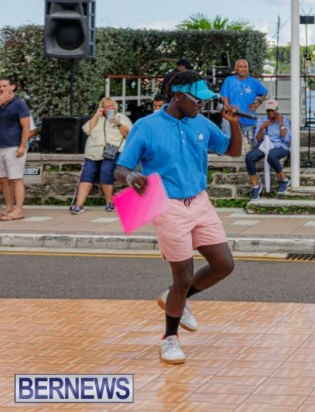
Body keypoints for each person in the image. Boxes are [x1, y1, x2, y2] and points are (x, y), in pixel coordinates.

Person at [114, 70, 243, 364]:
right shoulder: (146, 127)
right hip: (167, 205)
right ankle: (169, 338)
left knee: (224, 264)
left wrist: (234, 125)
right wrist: (131, 177)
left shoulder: (201, 123)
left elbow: (233, 151)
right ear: (177, 96)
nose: (202, 104)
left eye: (205, 100)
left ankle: (176, 297)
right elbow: (121, 168)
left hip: (200, 201)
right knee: (183, 276)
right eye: (197, 100)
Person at [70, 97, 132, 214]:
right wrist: (96, 115)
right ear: (102, 108)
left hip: (112, 149)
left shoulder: (122, 118)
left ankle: (109, 202)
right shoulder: (97, 118)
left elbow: (129, 135)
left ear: (115, 107)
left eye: (111, 106)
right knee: (87, 173)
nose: (109, 108)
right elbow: (87, 130)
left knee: (106, 169)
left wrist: (118, 124)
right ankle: (79, 205)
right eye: (106, 106)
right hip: (93, 151)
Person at [219, 59, 268, 154]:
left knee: (248, 146)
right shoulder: (229, 80)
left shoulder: (254, 82)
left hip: (247, 116)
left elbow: (264, 92)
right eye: (240, 67)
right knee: (227, 133)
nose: (243, 69)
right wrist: (227, 107)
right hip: (232, 116)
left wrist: (258, 103)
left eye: (245, 67)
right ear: (236, 69)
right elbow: (225, 97)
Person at [246, 99, 291, 200]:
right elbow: (257, 140)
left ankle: (284, 179)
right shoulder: (262, 121)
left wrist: (280, 123)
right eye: (268, 111)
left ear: (276, 109)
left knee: (271, 156)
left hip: (280, 146)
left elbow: (286, 138)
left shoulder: (284, 120)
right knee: (249, 157)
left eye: (272, 110)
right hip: (264, 145)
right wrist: (262, 128)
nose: (270, 113)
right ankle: (255, 186)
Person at [0, 77, 30, 221]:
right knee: (3, 179)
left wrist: (22, 146)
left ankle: (19, 210)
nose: (1, 89)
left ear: (12, 87)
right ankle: (9, 206)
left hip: (14, 146)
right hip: (0, 146)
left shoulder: (19, 104)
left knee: (16, 178)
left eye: (4, 86)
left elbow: (26, 127)